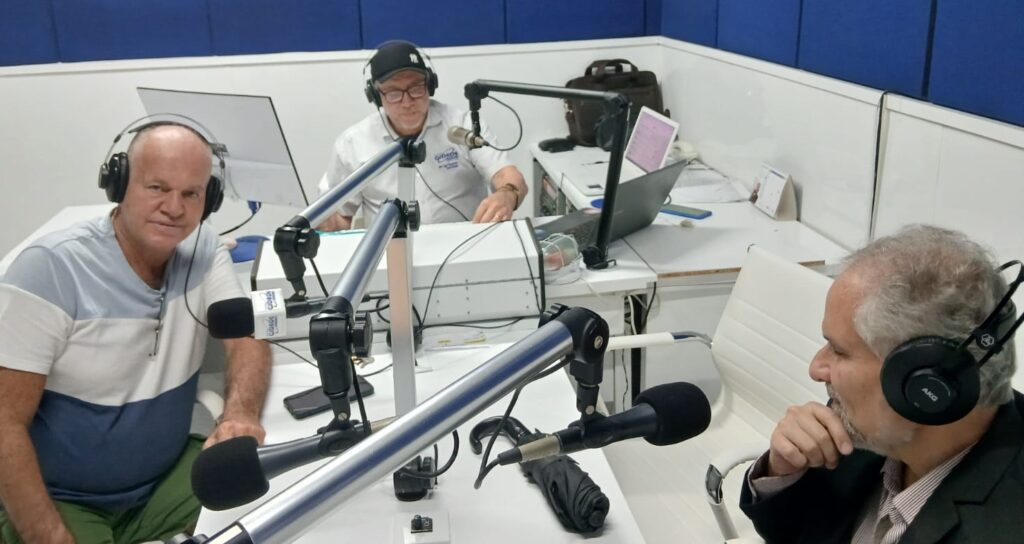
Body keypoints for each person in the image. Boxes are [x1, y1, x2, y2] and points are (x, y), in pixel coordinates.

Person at [0, 123, 272, 543]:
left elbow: (247, 338)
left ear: (210, 199)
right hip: (65, 499)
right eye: (157, 188)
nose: (174, 208)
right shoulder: (50, 269)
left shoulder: (203, 250)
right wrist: (49, 535)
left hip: (164, 483)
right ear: (120, 183)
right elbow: (4, 422)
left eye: (191, 194)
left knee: (280, 501)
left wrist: (240, 413)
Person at [740, 224, 1024, 543]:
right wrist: (782, 471)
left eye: (839, 351)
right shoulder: (878, 428)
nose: (816, 368)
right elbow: (797, 531)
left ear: (926, 383)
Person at [317, 40, 528, 231]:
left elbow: (509, 177)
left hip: (465, 244)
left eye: (416, 88)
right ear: (376, 96)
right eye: (394, 93)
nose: (407, 102)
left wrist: (507, 194)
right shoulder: (353, 144)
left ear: (430, 85)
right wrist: (321, 222)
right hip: (390, 252)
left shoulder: (462, 126)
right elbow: (339, 217)